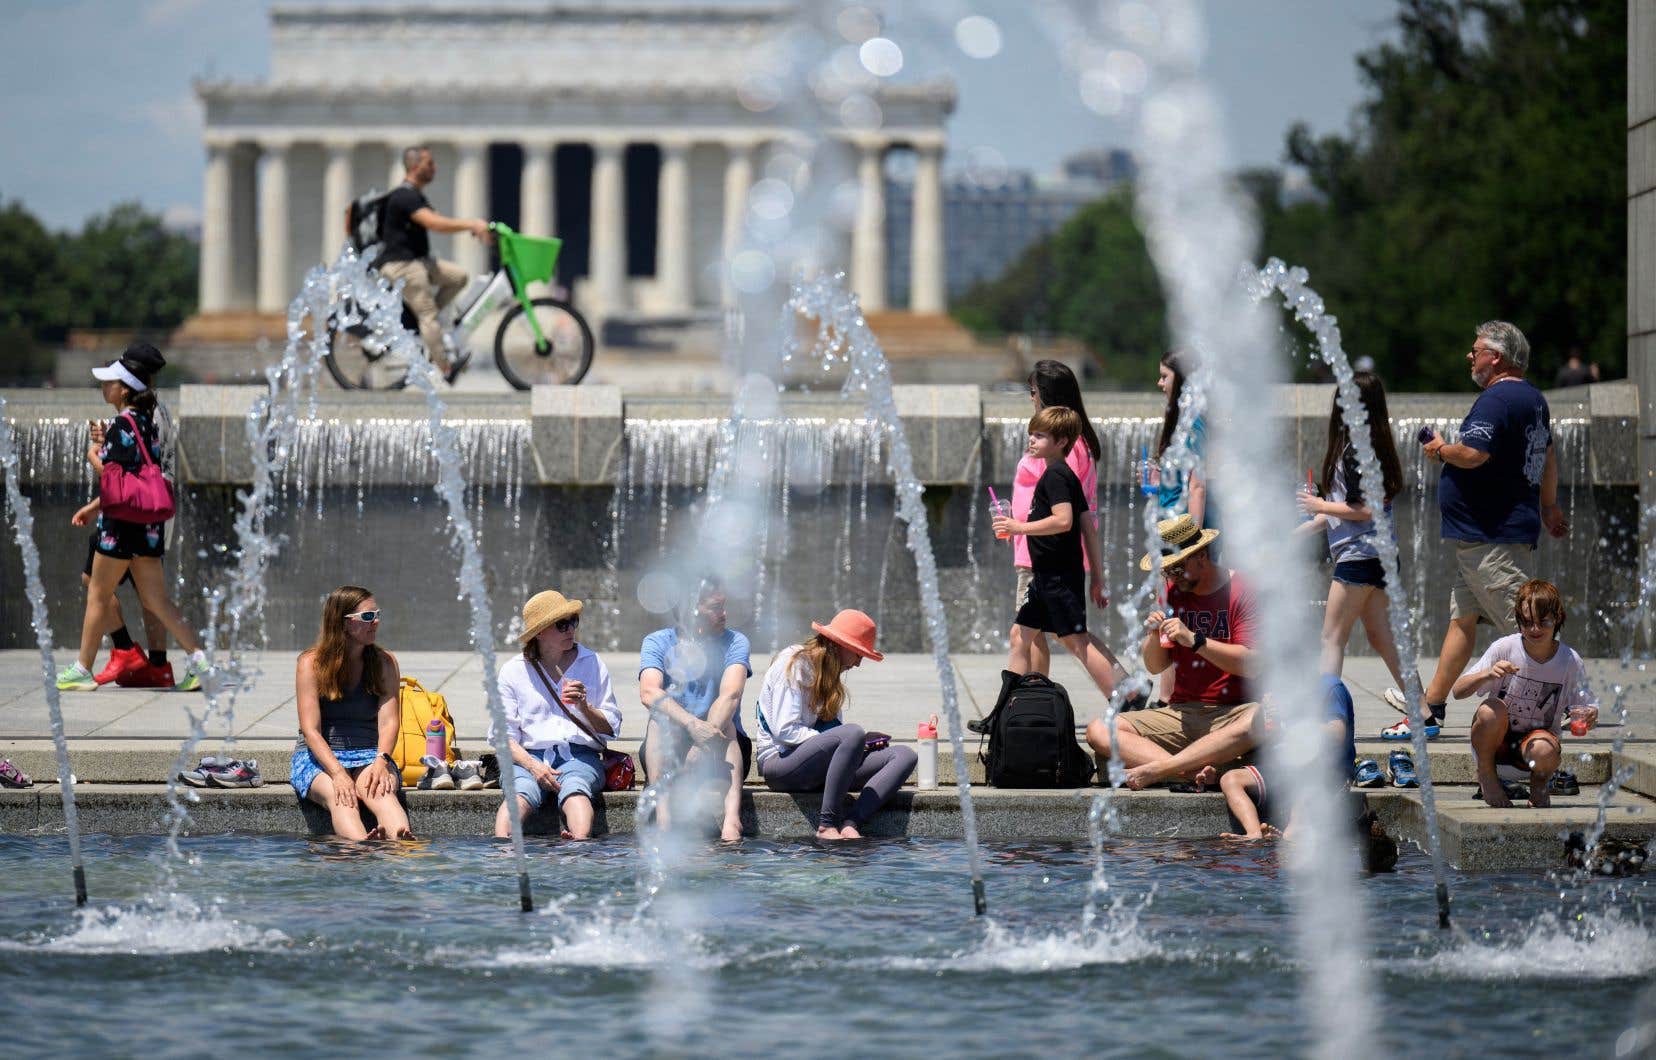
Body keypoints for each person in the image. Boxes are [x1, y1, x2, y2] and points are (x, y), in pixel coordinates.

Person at [1385, 321, 1568, 739]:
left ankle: (1547, 716)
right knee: (1462, 621)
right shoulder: (1534, 399)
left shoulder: (1496, 399)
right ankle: (1429, 710)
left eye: (1476, 350)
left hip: (1490, 537)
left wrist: (1440, 450)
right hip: (1493, 534)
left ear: (1496, 357)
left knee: (1528, 626)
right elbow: (1549, 455)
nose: (1470, 356)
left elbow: (1472, 454)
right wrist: (1549, 506)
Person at [56, 344, 210, 693]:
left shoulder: (122, 423)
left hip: (121, 526)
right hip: (148, 524)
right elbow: (137, 470)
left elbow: (111, 475)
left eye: (109, 382)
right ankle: (200, 661)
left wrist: (94, 454)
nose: (103, 387)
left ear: (124, 389)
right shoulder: (145, 421)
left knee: (97, 591)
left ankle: (83, 668)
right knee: (158, 600)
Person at [1089, 516, 1259, 787]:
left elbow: (1251, 664)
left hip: (1232, 712)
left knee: (1266, 718)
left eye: (1177, 569)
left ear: (1201, 557)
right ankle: (1191, 773)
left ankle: (1161, 769)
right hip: (1181, 713)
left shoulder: (1243, 590)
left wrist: (1195, 640)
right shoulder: (1172, 591)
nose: (1172, 578)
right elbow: (1155, 666)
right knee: (1099, 730)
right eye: (1166, 571)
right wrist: (1154, 635)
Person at [993, 407, 1124, 703]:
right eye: (1032, 433)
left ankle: (1125, 697)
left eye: (1040, 435)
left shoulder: (1056, 476)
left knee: (1077, 642)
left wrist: (1019, 527)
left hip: (1057, 578)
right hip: (1046, 577)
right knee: (1019, 636)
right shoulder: (1063, 475)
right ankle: (1009, 708)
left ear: (1062, 441)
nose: (1032, 440)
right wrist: (1098, 577)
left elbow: (1063, 520)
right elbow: (1088, 528)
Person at [754, 609, 917, 840]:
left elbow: (833, 733)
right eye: (858, 654)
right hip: (780, 764)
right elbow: (785, 731)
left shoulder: (830, 675)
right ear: (839, 645)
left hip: (817, 764)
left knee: (904, 755)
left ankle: (853, 823)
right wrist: (844, 741)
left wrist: (859, 744)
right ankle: (826, 825)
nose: (859, 663)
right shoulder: (793, 664)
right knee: (852, 734)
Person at [1296, 371, 1413, 689]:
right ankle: (1423, 713)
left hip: (1357, 559)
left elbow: (1366, 510)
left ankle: (1327, 710)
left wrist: (1319, 506)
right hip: (1379, 557)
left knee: (1330, 639)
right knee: (1382, 639)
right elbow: (1347, 512)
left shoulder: (1354, 453)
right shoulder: (1371, 448)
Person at [1454, 579, 1596, 808]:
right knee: (1492, 710)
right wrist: (1487, 674)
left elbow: (1587, 708)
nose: (1535, 629)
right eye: (1527, 622)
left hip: (1537, 752)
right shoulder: (1505, 648)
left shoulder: (1569, 661)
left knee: (1543, 746)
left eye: (1543, 622)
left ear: (1557, 619)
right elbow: (1458, 691)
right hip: (1494, 749)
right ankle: (1487, 777)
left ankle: (1539, 784)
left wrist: (1590, 716)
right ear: (1518, 621)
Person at [494, 589, 622, 840]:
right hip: (527, 756)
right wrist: (532, 766)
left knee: (576, 790)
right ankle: (503, 849)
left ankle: (578, 847)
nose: (571, 630)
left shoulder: (591, 662)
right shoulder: (513, 671)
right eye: (562, 625)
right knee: (520, 792)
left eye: (573, 621)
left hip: (578, 754)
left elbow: (612, 726)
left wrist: (585, 708)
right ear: (540, 632)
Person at [1009, 361, 1109, 676]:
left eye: (1034, 391)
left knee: (1058, 635)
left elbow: (1068, 510)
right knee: (1041, 633)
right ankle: (1035, 702)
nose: (1031, 398)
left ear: (1047, 394)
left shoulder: (1067, 448)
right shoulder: (1072, 442)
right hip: (1040, 548)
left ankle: (1124, 687)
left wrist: (1020, 527)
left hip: (1047, 551)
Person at [290, 585, 413, 840]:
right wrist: (337, 773)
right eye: (367, 617)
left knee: (381, 793)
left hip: (370, 754)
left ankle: (402, 847)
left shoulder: (384, 662)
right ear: (343, 623)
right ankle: (360, 848)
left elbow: (389, 722)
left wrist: (381, 762)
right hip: (318, 755)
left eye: (377, 614)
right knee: (340, 796)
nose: (375, 622)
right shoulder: (310, 664)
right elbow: (311, 730)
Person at [638, 578, 752, 842]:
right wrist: (691, 725)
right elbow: (649, 692)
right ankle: (664, 820)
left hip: (721, 740)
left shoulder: (735, 641)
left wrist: (701, 743)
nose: (724, 614)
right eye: (716, 607)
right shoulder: (657, 641)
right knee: (656, 722)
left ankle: (731, 820)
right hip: (673, 741)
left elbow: (731, 695)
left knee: (729, 726)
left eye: (724, 606)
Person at [376, 145, 495, 384]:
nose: (435, 168)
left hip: (418, 262)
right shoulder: (404, 196)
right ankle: (446, 368)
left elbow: (440, 219)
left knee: (458, 277)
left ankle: (427, 327)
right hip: (401, 264)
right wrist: (471, 224)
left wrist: (478, 230)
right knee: (428, 314)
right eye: (430, 163)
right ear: (415, 166)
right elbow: (435, 223)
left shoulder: (417, 196)